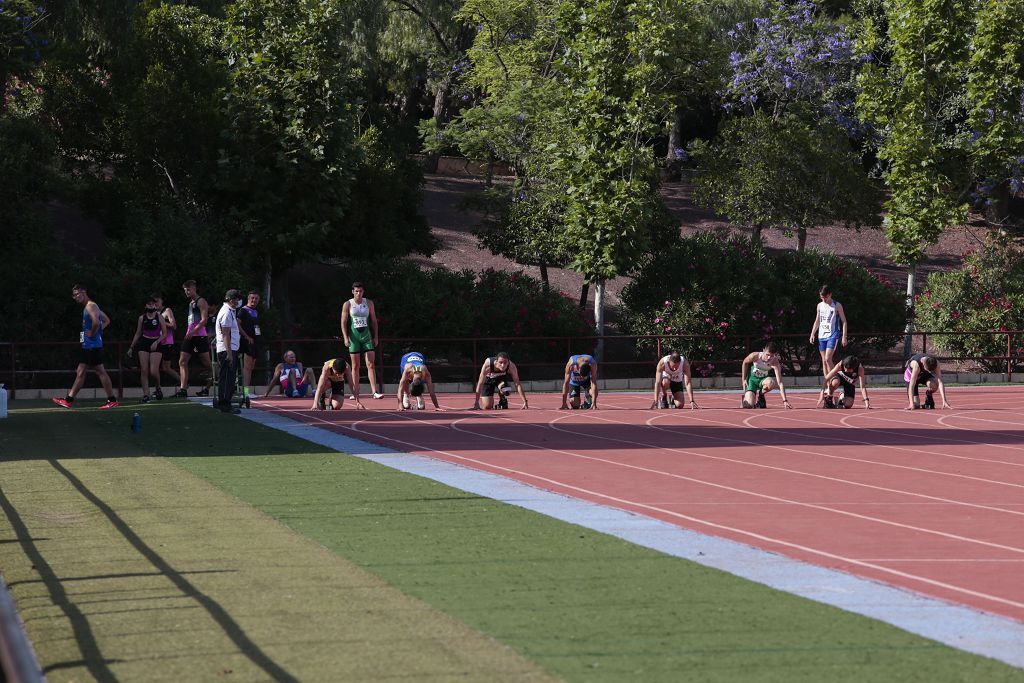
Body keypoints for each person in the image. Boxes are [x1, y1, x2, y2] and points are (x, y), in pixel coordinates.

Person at [52, 284, 119, 410]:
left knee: (100, 371)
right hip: (87, 345)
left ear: (84, 292)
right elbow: (106, 320)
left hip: (92, 346)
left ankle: (112, 400)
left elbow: (95, 321)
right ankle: (68, 400)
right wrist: (97, 332)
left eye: (78, 294)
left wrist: (93, 333)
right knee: (80, 371)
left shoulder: (91, 306)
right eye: (74, 295)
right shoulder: (90, 306)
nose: (76, 297)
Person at [341, 282, 383, 400]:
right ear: (353, 292)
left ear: (363, 292)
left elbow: (374, 321)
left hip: (367, 336)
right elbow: (343, 322)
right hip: (354, 337)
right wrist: (345, 337)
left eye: (361, 291)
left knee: (370, 364)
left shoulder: (369, 303)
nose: (359, 293)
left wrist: (376, 337)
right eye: (356, 291)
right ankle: (355, 392)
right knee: (355, 366)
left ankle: (374, 392)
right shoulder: (348, 304)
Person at [126, 297, 168, 402]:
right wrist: (131, 347)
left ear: (155, 306)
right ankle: (146, 395)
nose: (151, 306)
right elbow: (138, 333)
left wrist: (157, 342)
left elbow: (165, 333)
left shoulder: (159, 317)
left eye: (153, 304)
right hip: (144, 342)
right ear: (145, 306)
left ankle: (158, 387)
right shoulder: (142, 318)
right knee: (144, 370)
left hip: (156, 343)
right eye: (149, 304)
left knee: (153, 371)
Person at [176, 280, 213, 398]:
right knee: (182, 361)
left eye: (188, 289)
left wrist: (193, 331)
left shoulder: (201, 301)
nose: (187, 292)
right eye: (185, 290)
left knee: (207, 364)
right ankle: (183, 389)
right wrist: (189, 332)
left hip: (199, 335)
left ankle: (214, 384)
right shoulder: (190, 303)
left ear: (194, 288)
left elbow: (204, 320)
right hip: (190, 335)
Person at [809, 285, 848, 381]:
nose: (824, 300)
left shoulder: (837, 305)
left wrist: (844, 336)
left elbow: (844, 321)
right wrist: (812, 333)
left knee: (827, 359)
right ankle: (828, 384)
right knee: (824, 361)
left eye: (825, 297)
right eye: (822, 297)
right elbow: (817, 320)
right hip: (822, 335)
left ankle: (836, 379)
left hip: (833, 335)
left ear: (830, 294)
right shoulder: (819, 305)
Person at [740, 342, 792, 409]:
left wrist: (785, 400)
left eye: (772, 356)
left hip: (762, 380)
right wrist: (744, 379)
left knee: (772, 383)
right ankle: (745, 398)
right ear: (763, 350)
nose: (769, 358)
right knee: (748, 405)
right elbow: (745, 362)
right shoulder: (755, 356)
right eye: (767, 355)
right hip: (751, 380)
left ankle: (761, 396)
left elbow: (780, 383)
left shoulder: (775, 362)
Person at [214, 289, 242, 413]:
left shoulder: (229, 311)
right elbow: (225, 334)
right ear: (231, 300)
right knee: (226, 377)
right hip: (227, 349)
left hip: (229, 348)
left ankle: (226, 402)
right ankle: (224, 404)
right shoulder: (226, 312)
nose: (238, 301)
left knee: (229, 377)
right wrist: (229, 354)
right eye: (236, 299)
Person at [153, 294, 180, 387]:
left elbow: (174, 326)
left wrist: (162, 321)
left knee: (166, 368)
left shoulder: (167, 311)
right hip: (157, 343)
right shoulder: (153, 313)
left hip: (167, 342)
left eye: (157, 301)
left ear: (161, 301)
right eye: (153, 302)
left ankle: (183, 383)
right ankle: (158, 389)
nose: (155, 304)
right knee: (156, 367)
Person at [238, 291, 261, 393]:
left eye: (256, 298)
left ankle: (246, 391)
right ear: (248, 299)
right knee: (247, 367)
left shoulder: (256, 312)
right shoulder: (243, 310)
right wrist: (246, 336)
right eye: (252, 298)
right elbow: (237, 325)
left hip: (255, 341)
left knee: (251, 367)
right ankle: (245, 392)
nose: (254, 300)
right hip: (246, 342)